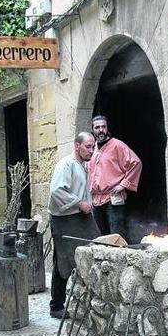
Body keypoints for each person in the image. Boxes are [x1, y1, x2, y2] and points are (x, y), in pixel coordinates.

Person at [48, 132, 100, 319]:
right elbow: (56, 191)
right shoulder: (66, 164)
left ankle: (91, 302)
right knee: (63, 262)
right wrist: (79, 202)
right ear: (77, 146)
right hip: (65, 220)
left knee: (97, 249)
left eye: (93, 146)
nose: (91, 150)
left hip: (80, 218)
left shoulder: (81, 166)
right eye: (88, 146)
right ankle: (56, 306)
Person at [87, 115, 142, 242]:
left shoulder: (117, 145)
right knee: (101, 237)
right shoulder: (92, 148)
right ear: (93, 130)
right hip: (96, 200)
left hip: (113, 199)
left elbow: (136, 163)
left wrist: (123, 185)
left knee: (117, 237)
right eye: (97, 127)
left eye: (103, 127)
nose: (100, 130)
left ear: (107, 128)